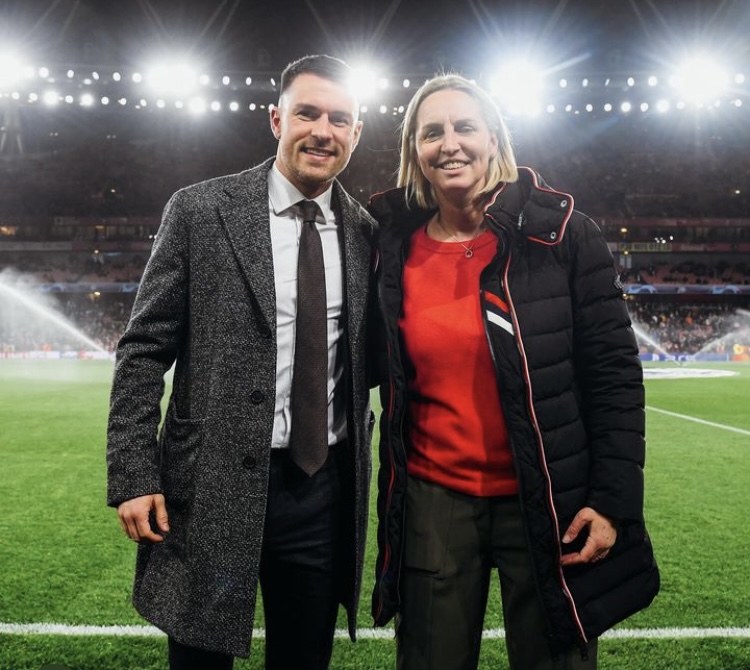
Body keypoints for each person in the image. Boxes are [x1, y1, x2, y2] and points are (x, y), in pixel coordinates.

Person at [368, 73, 660, 670]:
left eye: (464, 127)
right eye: (431, 132)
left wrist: (612, 501)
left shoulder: (564, 235)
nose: (449, 143)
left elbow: (613, 375)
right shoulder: (390, 244)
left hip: (550, 497)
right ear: (414, 153)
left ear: (495, 140)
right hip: (434, 498)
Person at [106, 54, 378, 670]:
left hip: (322, 489)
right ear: (278, 119)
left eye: (340, 119)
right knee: (200, 660)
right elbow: (144, 348)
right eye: (307, 113)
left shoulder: (367, 233)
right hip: (208, 486)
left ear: (356, 134)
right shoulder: (201, 210)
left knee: (303, 659)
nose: (322, 130)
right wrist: (133, 473)